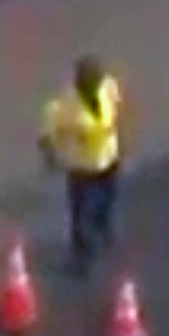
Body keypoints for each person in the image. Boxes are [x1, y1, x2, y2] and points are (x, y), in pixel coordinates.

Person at [41, 58, 127, 279]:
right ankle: (81, 256)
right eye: (87, 82)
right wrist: (51, 156)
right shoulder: (66, 106)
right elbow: (49, 131)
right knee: (81, 213)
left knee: (107, 199)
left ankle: (104, 229)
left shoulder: (107, 88)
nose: (93, 85)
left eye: (95, 81)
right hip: (82, 166)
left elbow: (116, 105)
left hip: (108, 158)